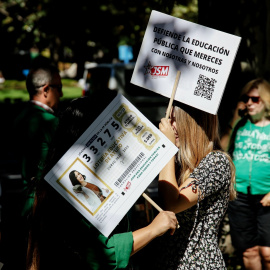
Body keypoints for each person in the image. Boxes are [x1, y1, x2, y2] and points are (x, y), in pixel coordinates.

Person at [26, 94, 177, 270]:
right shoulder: (67, 193)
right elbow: (103, 252)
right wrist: (153, 229)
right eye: (111, 131)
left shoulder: (59, 178)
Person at [154, 102, 236, 269]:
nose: (170, 126)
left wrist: (167, 148)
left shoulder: (217, 162)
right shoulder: (177, 163)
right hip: (169, 260)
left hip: (199, 262)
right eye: (169, 119)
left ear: (191, 124)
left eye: (174, 120)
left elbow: (172, 204)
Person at [2, 64, 63, 270]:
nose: (62, 94)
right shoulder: (50, 123)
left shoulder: (20, 117)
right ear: (46, 90)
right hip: (44, 207)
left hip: (19, 203)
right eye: (58, 87)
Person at [222, 78, 270, 269]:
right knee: (249, 251)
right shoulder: (239, 124)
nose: (249, 103)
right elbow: (223, 148)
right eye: (246, 98)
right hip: (239, 195)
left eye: (255, 99)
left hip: (266, 196)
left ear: (266, 100)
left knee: (268, 253)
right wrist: (234, 118)